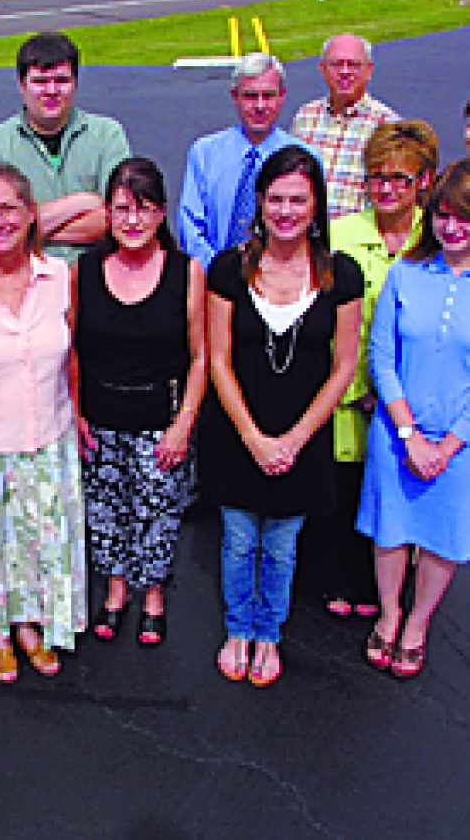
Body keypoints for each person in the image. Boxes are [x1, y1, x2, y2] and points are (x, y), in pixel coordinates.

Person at [202, 145, 363, 686]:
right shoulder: (229, 269)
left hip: (304, 436)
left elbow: (343, 368)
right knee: (239, 540)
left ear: (316, 204)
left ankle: (269, 632)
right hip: (238, 433)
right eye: (276, 199)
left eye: (299, 198)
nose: (287, 210)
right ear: (261, 202)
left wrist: (292, 439)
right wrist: (252, 436)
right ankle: (238, 628)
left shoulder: (341, 274)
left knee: (281, 545)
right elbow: (218, 358)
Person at [0, 161, 86, 683]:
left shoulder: (58, 278)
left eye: (9, 208)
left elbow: (72, 355)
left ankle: (29, 624)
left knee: (36, 541)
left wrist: (78, 411)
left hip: (47, 434)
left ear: (30, 214)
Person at [302, 121, 439, 619]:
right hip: (346, 387)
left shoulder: (437, 238)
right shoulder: (339, 235)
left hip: (412, 396)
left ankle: (387, 589)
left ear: (423, 181)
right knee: (345, 489)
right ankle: (343, 579)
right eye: (376, 177)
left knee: (400, 495)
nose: (385, 188)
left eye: (399, 178)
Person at [72, 157, 206, 646]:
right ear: (108, 212)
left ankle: (153, 595)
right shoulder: (85, 271)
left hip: (160, 420)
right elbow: (72, 350)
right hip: (100, 419)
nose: (133, 220)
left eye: (144, 209)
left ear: (162, 213)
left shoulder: (185, 272)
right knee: (106, 512)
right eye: (123, 208)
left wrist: (184, 423)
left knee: (156, 513)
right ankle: (114, 591)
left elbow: (200, 355)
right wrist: (77, 411)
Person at [357, 159, 469, 679]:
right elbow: (382, 358)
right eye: (443, 215)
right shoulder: (405, 272)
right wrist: (408, 434)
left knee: (442, 536)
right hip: (398, 433)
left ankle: (418, 624)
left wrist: (447, 445)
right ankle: (389, 613)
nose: (452, 228)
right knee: (392, 531)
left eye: (464, 218)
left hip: (457, 444)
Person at [0, 31, 131, 261]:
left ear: (76, 82)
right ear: (21, 83)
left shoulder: (108, 136)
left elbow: (117, 220)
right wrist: (84, 202)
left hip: (95, 279)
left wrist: (26, 229)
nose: (51, 91)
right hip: (26, 280)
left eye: (61, 80)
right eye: (40, 81)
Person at [178, 53, 318, 270]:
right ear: (235, 96)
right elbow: (191, 228)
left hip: (282, 282)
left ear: (282, 96)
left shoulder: (304, 157)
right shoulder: (205, 153)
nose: (260, 106)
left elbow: (313, 228)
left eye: (268, 95)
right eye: (251, 96)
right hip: (215, 281)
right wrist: (220, 274)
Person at [291, 34, 399, 219]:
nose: (345, 71)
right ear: (323, 69)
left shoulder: (387, 125)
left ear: (369, 70)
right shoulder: (305, 118)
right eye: (337, 64)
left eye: (354, 65)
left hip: (358, 240)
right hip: (309, 239)